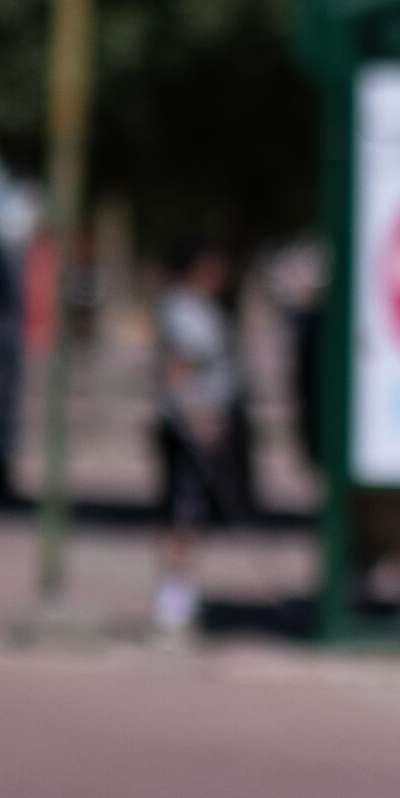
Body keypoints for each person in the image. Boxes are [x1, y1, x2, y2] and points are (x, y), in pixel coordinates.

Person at [150, 245, 247, 638]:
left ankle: (181, 599)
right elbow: (182, 369)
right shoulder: (184, 310)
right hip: (189, 429)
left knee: (191, 517)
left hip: (200, 424)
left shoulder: (199, 308)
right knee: (182, 516)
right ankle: (173, 604)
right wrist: (198, 419)